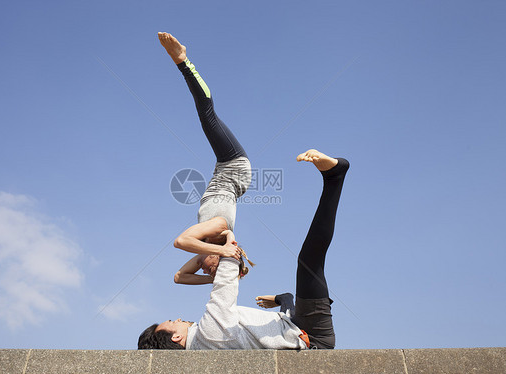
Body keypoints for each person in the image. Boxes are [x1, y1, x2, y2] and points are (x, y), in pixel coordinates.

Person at [138, 144, 350, 349]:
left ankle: (334, 178)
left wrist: (279, 299)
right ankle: (334, 178)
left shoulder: (205, 342)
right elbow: (224, 286)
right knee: (309, 261)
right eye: (171, 322)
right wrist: (227, 246)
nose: (177, 318)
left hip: (294, 326)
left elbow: (180, 276)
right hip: (309, 333)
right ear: (176, 337)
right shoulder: (208, 333)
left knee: (305, 269)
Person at [156, 32, 253, 282]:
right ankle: (183, 62)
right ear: (220, 256)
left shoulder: (212, 243)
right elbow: (181, 241)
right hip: (234, 169)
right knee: (207, 116)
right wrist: (223, 250)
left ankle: (182, 62)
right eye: (211, 268)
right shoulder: (218, 229)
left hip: (223, 175)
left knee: (207, 118)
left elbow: (179, 277)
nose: (204, 268)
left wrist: (215, 278)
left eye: (207, 271)